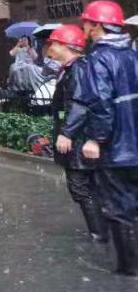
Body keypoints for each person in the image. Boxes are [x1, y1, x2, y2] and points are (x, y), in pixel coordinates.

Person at [79, 0, 138, 276]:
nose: (85, 29)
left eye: (88, 24)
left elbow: (101, 102)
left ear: (98, 26)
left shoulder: (99, 57)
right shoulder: (132, 54)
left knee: (119, 207)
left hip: (118, 149)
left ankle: (130, 268)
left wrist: (95, 139)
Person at [47, 24, 109, 243]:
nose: (50, 47)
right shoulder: (72, 68)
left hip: (80, 138)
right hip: (79, 137)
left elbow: (79, 103)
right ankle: (102, 230)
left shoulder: (79, 68)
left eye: (54, 42)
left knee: (81, 187)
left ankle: (100, 233)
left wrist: (67, 133)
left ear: (66, 45)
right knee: (87, 186)